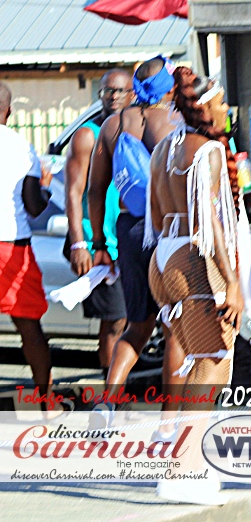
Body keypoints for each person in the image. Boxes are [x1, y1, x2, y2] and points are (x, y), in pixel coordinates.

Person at [146, 68, 242, 505]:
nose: (228, 112)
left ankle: (177, 459)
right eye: (222, 104)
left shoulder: (164, 147)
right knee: (215, 362)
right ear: (204, 107)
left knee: (190, 364)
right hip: (192, 259)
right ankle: (182, 468)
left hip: (161, 257)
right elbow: (212, 227)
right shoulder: (208, 153)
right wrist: (234, 283)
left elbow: (153, 212)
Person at [88, 56, 185, 430]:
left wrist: (99, 242)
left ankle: (108, 402)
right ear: (168, 88)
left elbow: (96, 191)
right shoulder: (177, 123)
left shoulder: (112, 126)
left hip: (129, 231)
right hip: (170, 230)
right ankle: (167, 423)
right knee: (174, 328)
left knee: (137, 325)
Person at [64, 69, 134, 378]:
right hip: (97, 242)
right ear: (100, 95)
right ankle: (110, 398)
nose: (115, 96)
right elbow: (74, 191)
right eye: (108, 91)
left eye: (121, 91)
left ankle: (117, 390)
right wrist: (79, 242)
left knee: (132, 319)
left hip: (130, 239)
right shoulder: (87, 135)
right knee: (115, 319)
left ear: (133, 94)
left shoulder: (135, 132)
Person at [0, 82, 56, 414]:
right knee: (30, 329)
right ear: (8, 110)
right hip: (12, 245)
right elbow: (34, 207)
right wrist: (46, 191)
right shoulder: (22, 147)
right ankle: (46, 403)